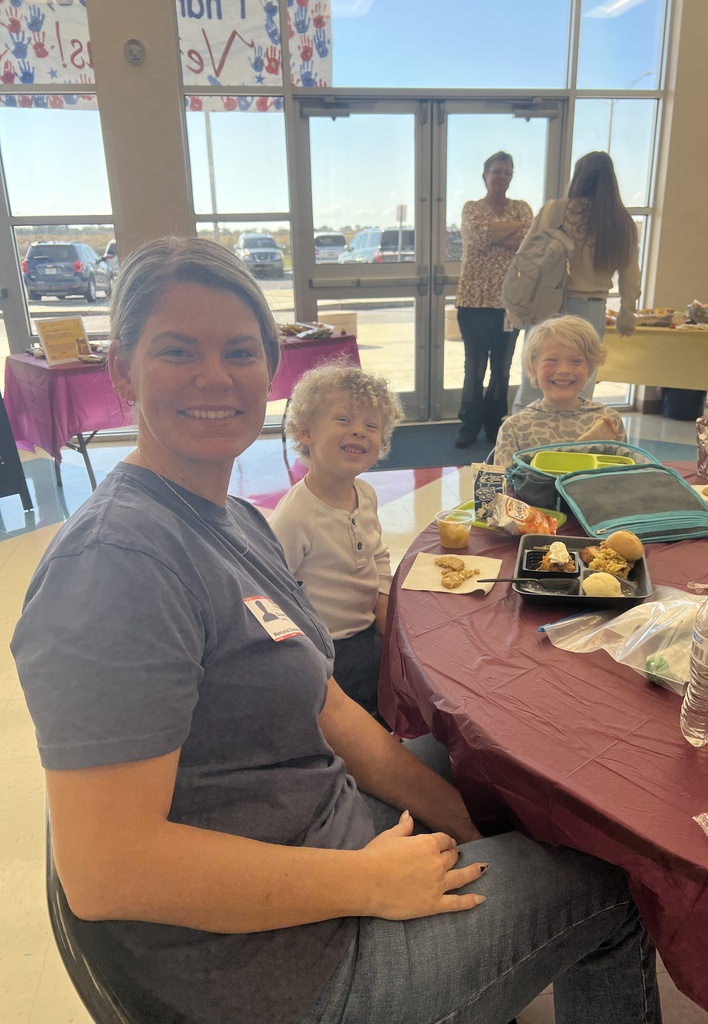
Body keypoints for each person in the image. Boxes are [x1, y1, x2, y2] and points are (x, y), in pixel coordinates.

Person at [11, 237, 662, 1024]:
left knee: (504, 773)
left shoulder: (234, 520)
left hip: (320, 837)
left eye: (240, 352)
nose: (216, 377)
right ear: (122, 371)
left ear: (270, 372)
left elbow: (328, 708)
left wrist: (467, 819)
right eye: (178, 350)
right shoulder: (118, 563)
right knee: (605, 881)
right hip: (283, 969)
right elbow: (108, 870)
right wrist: (369, 883)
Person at [269, 362, 403, 718]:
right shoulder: (297, 515)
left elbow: (378, 555)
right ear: (306, 431)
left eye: (371, 426)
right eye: (344, 420)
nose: (359, 432)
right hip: (327, 650)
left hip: (365, 630)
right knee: (365, 717)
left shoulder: (366, 494)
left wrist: (384, 602)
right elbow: (271, 591)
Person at [512, 150, 641, 414]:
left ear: (579, 177)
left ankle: (522, 446)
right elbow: (630, 275)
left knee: (535, 380)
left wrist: (516, 304)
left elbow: (524, 258)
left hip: (547, 305)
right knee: (577, 385)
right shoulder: (622, 222)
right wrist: (628, 312)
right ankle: (570, 448)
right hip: (590, 311)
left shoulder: (554, 210)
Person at [454, 151, 533, 449]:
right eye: (497, 171)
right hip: (473, 302)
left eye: (507, 172)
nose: (502, 176)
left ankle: (494, 425)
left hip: (509, 303)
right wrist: (507, 232)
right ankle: (469, 426)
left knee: (502, 367)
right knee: (474, 367)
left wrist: (492, 233)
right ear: (485, 175)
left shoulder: (522, 207)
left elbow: (528, 240)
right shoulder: (471, 207)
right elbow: (476, 236)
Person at [494, 315, 627, 468]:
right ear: (532, 368)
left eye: (576, 361)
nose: (564, 370)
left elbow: (623, 478)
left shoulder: (610, 421)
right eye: (552, 360)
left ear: (589, 370)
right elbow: (501, 486)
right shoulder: (515, 428)